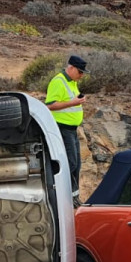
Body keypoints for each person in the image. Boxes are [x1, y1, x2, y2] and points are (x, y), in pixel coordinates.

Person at [45, 55, 87, 206]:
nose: (81, 75)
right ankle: (64, 197)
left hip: (72, 129)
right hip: (62, 128)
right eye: (80, 72)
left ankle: (74, 197)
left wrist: (77, 101)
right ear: (71, 68)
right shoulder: (58, 81)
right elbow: (50, 105)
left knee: (77, 164)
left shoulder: (72, 82)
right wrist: (73, 102)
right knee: (70, 163)